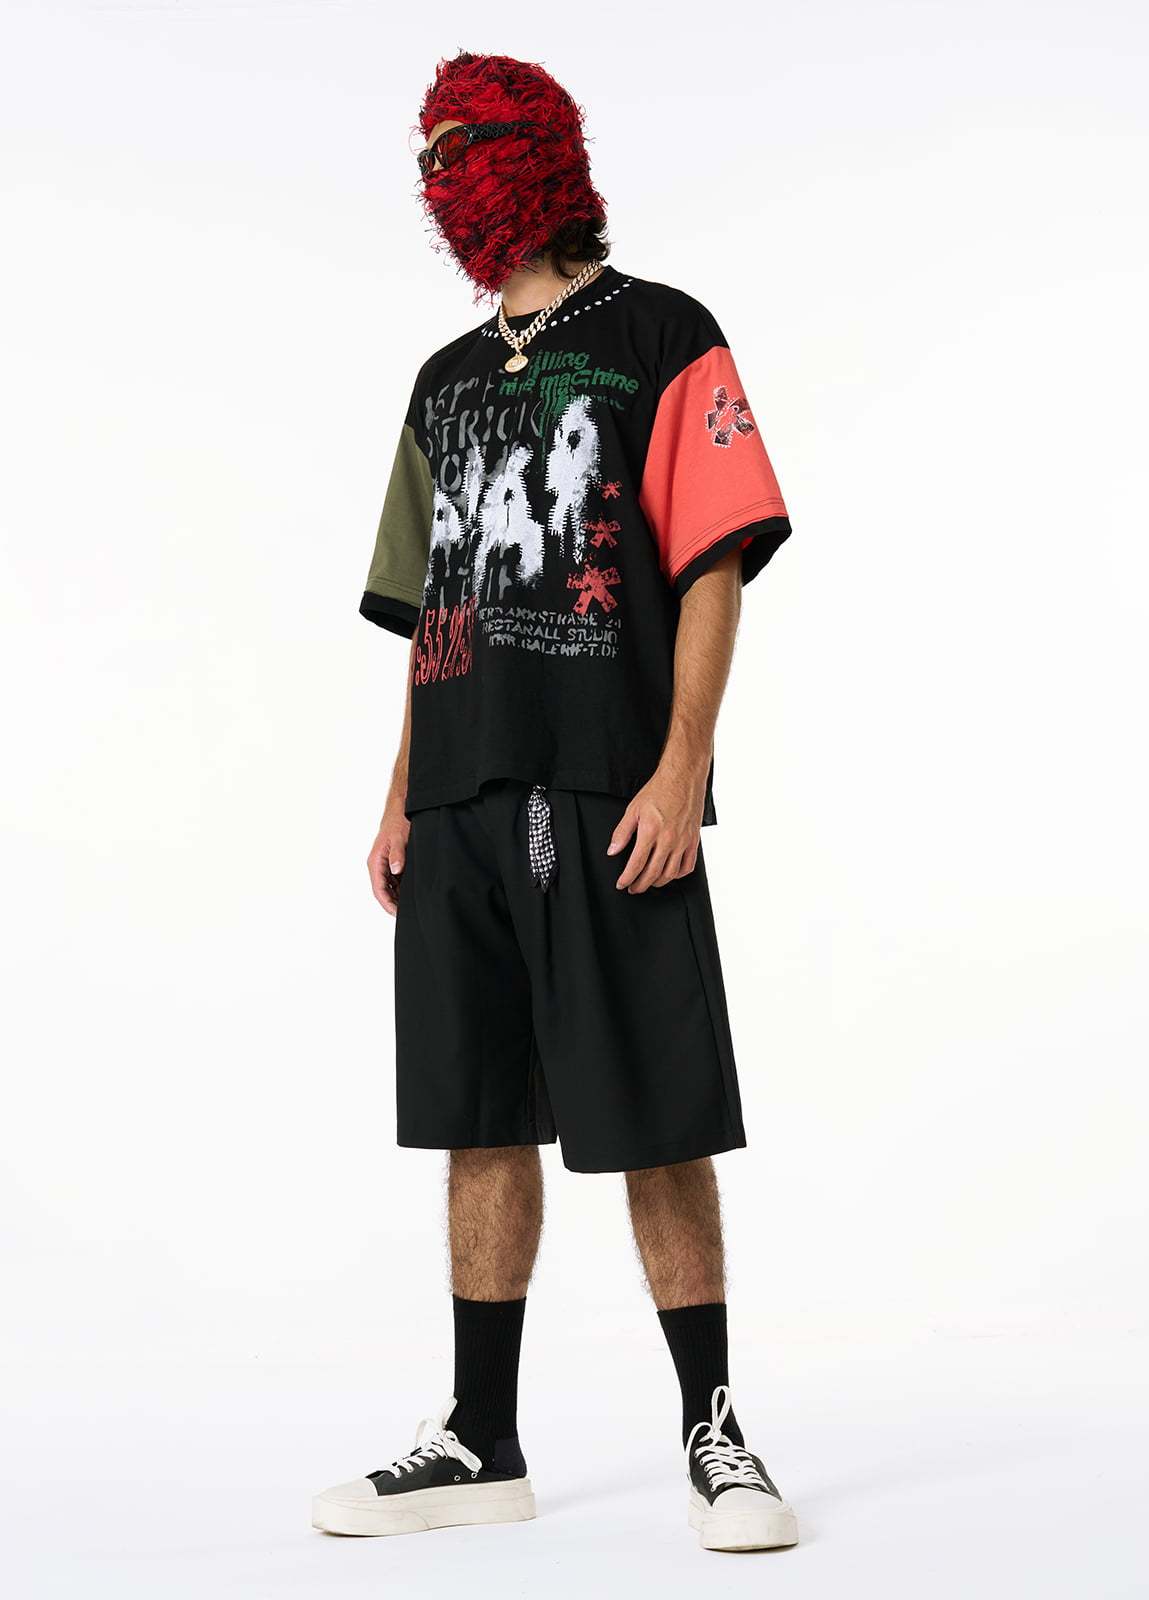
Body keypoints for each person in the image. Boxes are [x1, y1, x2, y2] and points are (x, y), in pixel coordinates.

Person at [312, 51, 797, 1553]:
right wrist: (401, 794)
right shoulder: (443, 382)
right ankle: (482, 1438)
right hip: (460, 793)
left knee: (657, 1117)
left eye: (466, 142)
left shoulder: (666, 333)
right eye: (430, 150)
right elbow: (432, 608)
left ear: (540, 152)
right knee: (476, 1119)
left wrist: (682, 765)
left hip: (608, 788)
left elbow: (712, 564)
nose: (441, 172)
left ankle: (716, 1430)